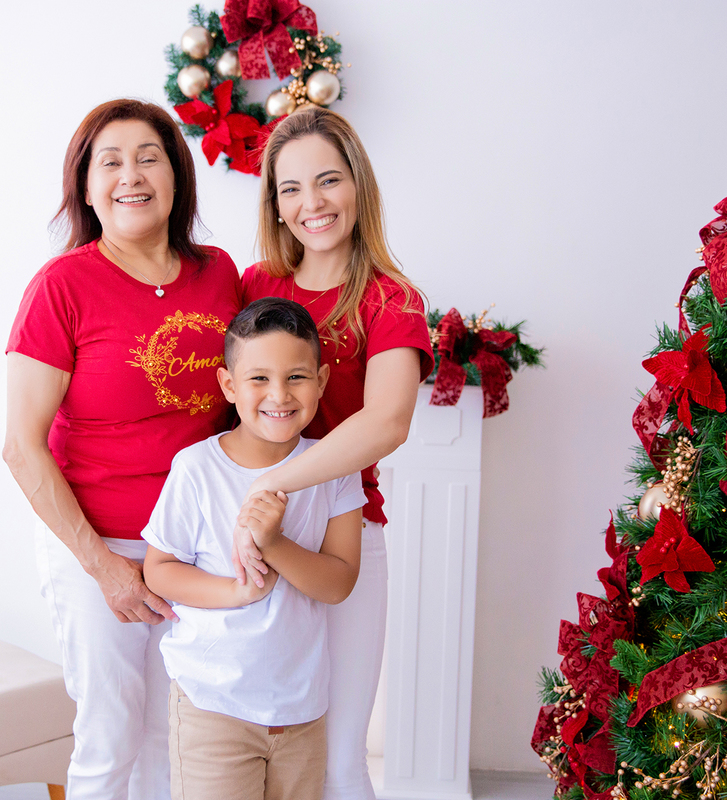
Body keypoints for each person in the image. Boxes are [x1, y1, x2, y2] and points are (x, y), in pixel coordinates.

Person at [2, 98, 242, 800]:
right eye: (110, 162)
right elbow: (21, 447)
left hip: (194, 550)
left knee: (182, 736)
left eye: (148, 157)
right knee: (110, 736)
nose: (130, 176)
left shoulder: (219, 273)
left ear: (176, 176)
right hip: (95, 543)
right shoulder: (62, 287)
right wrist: (105, 567)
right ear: (85, 185)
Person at [236, 108, 436, 800]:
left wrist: (274, 487)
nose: (311, 203)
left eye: (327, 180)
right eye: (290, 188)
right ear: (276, 205)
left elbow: (386, 422)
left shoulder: (391, 299)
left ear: (359, 185)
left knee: (340, 759)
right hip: (246, 535)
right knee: (252, 746)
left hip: (347, 537)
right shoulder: (253, 286)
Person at [142, 297, 365, 800]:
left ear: (322, 381)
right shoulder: (196, 468)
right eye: (259, 378)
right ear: (229, 385)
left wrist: (274, 543)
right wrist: (236, 592)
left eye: (298, 377)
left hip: (301, 711)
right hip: (212, 706)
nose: (279, 395)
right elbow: (159, 569)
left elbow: (339, 583)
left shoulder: (335, 467)